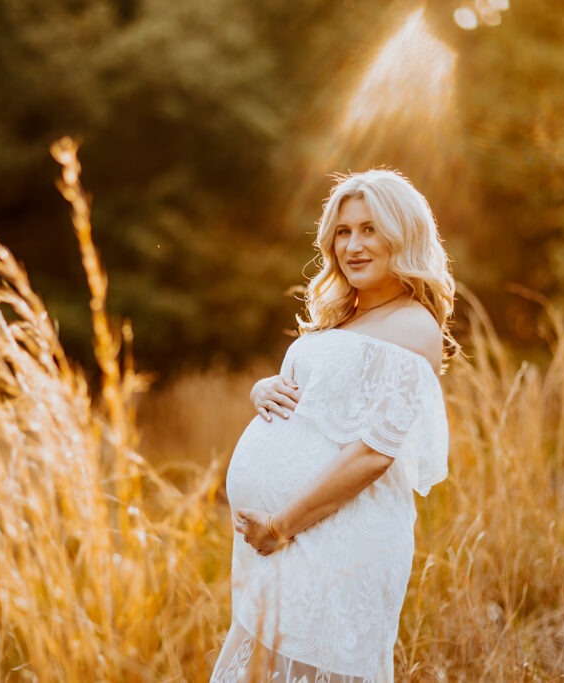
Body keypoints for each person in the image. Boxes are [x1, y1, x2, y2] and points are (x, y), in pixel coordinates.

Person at [209, 169, 457, 683]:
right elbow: (318, 402)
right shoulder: (342, 318)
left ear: (404, 235)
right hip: (298, 537)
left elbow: (374, 452)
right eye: (343, 232)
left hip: (336, 538)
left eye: (370, 229)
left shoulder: (412, 325)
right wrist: (263, 390)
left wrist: (282, 525)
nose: (353, 245)